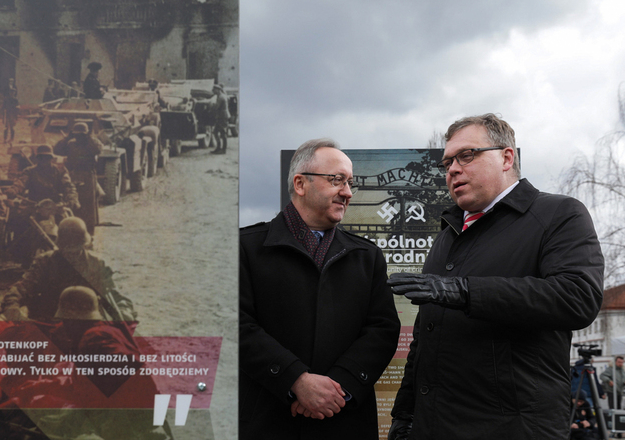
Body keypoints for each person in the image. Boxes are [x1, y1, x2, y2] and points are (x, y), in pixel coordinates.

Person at [387, 113, 605, 440]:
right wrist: (405, 415)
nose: (453, 169)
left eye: (466, 156)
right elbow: (426, 335)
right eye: (447, 163)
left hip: (513, 429)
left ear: (506, 157)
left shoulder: (560, 215)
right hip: (434, 427)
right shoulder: (447, 237)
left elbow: (577, 298)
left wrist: (464, 292)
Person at [239, 138, 400, 439]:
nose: (348, 192)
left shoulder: (367, 256)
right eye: (337, 180)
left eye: (350, 183)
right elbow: (237, 325)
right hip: (266, 421)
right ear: (300, 183)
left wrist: (339, 388)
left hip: (345, 420)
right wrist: (295, 380)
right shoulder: (244, 248)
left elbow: (383, 329)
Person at [0, 217, 135, 322]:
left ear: (84, 245)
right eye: (67, 250)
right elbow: (20, 289)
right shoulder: (45, 262)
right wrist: (13, 308)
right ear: (60, 245)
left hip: (87, 323)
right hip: (49, 323)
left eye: (75, 250)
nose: (71, 254)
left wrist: (124, 311)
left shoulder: (96, 264)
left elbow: (113, 295)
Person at [54, 122, 103, 234]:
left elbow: (98, 149)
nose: (79, 137)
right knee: (73, 201)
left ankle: (90, 232)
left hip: (87, 176)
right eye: (77, 135)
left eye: (81, 135)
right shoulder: (71, 144)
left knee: (88, 205)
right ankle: (73, 229)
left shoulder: (92, 143)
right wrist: (67, 138)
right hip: (73, 174)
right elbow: (57, 150)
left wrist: (89, 138)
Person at [12, 144, 79, 211]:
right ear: (37, 158)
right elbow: (21, 183)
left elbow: (68, 186)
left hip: (56, 206)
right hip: (35, 206)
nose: (44, 160)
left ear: (51, 158)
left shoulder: (60, 171)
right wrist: (14, 190)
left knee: (70, 220)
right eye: (41, 157)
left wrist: (72, 198)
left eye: (47, 157)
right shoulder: (29, 171)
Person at [210, 83, 230, 154]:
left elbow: (216, 107)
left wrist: (211, 106)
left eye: (214, 90)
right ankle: (219, 148)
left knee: (222, 133)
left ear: (218, 90)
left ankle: (223, 149)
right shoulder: (221, 96)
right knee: (216, 132)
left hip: (223, 117)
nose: (213, 91)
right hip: (222, 116)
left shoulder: (221, 97)